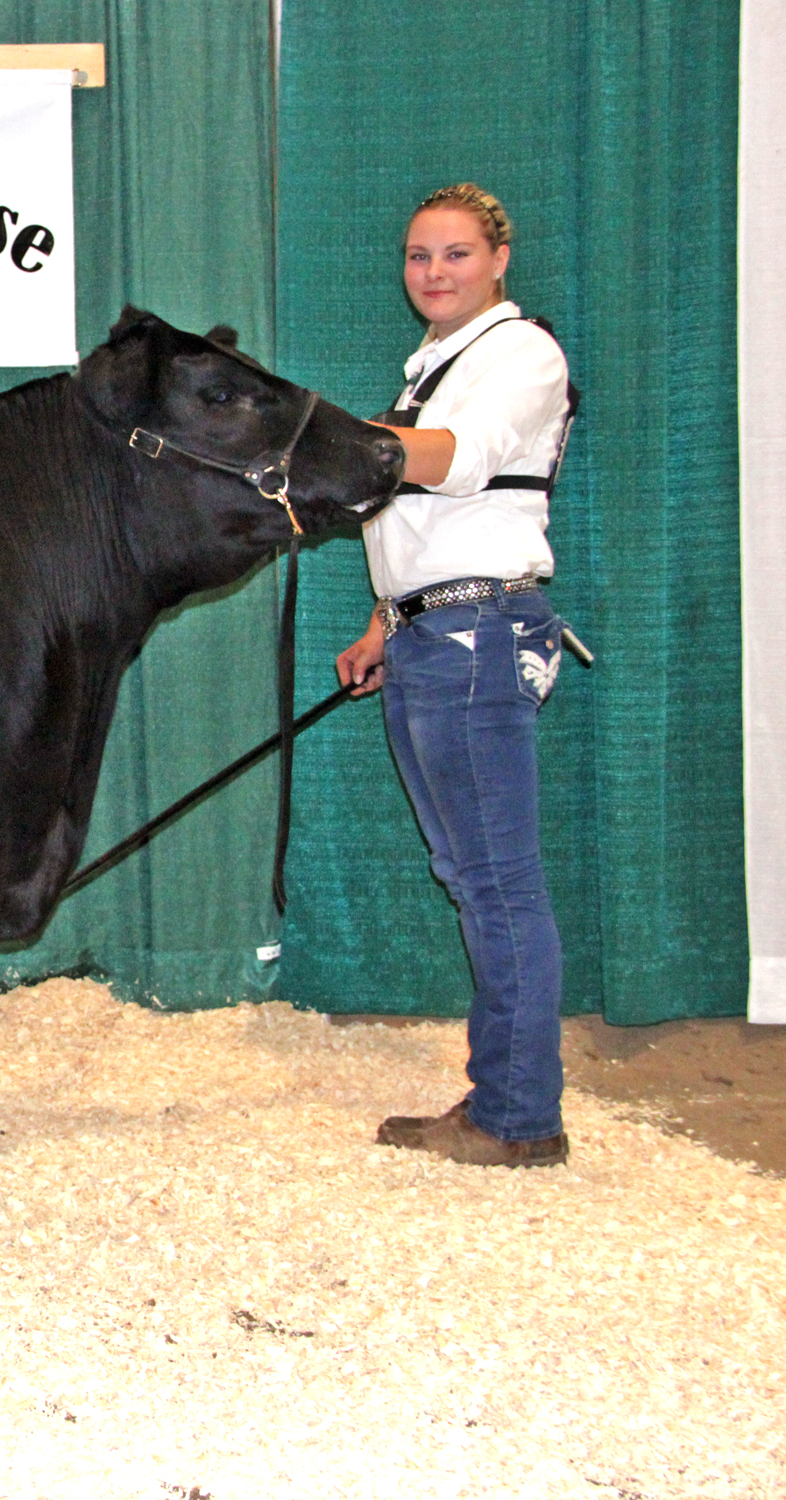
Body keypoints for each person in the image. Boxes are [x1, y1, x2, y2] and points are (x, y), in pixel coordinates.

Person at [335, 182, 575, 1167]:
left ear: (498, 260)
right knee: (472, 877)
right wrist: (385, 619)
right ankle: (508, 1101)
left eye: (455, 255)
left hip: (478, 638)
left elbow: (459, 464)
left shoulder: (522, 354)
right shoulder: (436, 362)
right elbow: (427, 520)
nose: (432, 273)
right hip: (436, 632)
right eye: (418, 256)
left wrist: (337, 444)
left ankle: (517, 1117)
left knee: (496, 882)